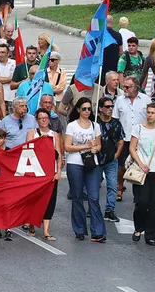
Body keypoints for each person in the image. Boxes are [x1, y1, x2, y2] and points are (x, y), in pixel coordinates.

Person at [128, 103, 155, 247]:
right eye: (148, 112)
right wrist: (141, 163)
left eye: (153, 113)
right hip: (142, 171)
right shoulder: (138, 128)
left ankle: (152, 236)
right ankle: (139, 226)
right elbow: (132, 148)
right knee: (142, 202)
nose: (150, 115)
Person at [64, 97, 106, 242]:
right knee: (77, 196)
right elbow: (67, 146)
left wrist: (96, 148)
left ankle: (98, 231)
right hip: (75, 163)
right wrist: (85, 146)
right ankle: (80, 229)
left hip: (91, 163)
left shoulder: (95, 126)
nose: (87, 111)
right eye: (84, 109)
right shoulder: (72, 126)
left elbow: (99, 145)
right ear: (78, 110)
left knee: (94, 197)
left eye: (89, 109)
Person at [114, 77, 150, 202]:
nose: (124, 89)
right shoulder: (119, 100)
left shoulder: (145, 99)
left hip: (140, 138)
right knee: (122, 165)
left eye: (127, 87)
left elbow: (150, 117)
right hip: (125, 137)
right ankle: (120, 186)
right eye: (123, 86)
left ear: (136, 87)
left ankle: (138, 192)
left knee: (139, 165)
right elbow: (115, 119)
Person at [31, 108, 64, 241]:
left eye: (45, 117)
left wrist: (59, 171)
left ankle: (46, 230)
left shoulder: (54, 134)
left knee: (50, 200)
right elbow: (28, 150)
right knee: (35, 200)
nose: (43, 120)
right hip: (35, 172)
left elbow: (59, 154)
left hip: (51, 172)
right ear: (37, 120)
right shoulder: (32, 133)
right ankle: (32, 224)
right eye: (41, 118)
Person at [95, 97, 124, 223]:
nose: (110, 109)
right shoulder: (95, 123)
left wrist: (116, 155)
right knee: (94, 185)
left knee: (112, 185)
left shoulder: (116, 123)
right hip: (97, 159)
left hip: (111, 159)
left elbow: (121, 141)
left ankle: (109, 210)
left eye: (112, 106)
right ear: (100, 108)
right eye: (107, 107)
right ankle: (93, 208)